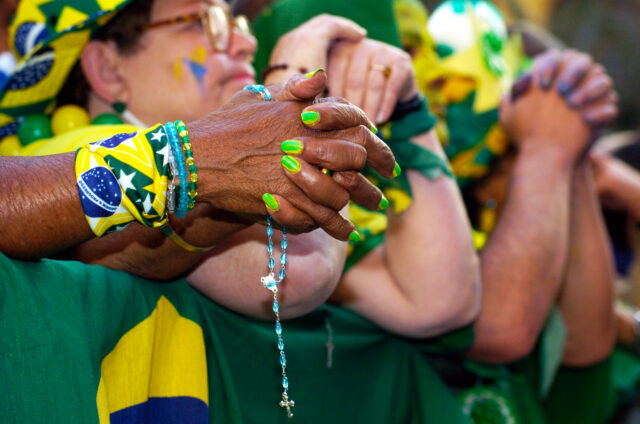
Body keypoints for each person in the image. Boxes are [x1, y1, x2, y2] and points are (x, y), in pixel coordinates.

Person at [0, 0, 479, 422]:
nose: (246, 43)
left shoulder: (220, 176)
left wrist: (411, 110)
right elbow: (290, 275)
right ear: (107, 68)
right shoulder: (71, 153)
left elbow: (438, 300)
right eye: (204, 22)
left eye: (237, 23)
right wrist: (297, 72)